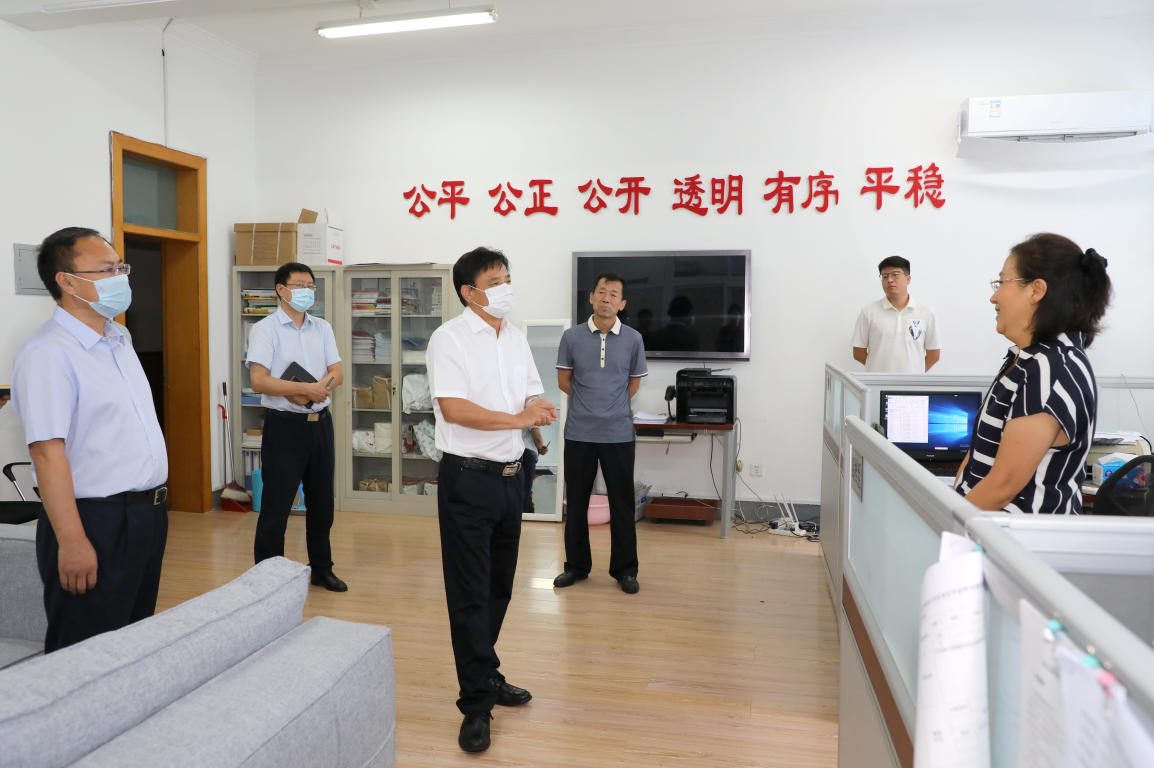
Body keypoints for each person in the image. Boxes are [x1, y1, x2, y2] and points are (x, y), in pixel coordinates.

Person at [11, 227, 168, 652]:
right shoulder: (47, 353)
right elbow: (47, 453)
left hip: (146, 515)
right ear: (66, 281)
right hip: (95, 520)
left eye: (121, 267)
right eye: (106, 270)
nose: (120, 278)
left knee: (132, 642)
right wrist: (73, 541)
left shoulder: (119, 339)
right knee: (84, 651)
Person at [425, 247, 557, 753]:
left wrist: (536, 410)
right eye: (495, 281)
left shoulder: (515, 337)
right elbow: (454, 409)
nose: (505, 288)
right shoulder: (449, 338)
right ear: (469, 292)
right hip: (468, 479)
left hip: (510, 477)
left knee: (499, 586)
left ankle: (486, 671)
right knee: (469, 592)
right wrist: (519, 419)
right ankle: (476, 703)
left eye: (507, 279)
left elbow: (528, 393)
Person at [955, 234, 1111, 515]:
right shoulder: (1027, 359)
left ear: (1036, 290)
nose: (994, 296)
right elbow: (978, 455)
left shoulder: (1053, 369)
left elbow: (1003, 486)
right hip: (983, 528)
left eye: (1002, 282)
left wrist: (945, 526)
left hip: (1019, 538)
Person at [246, 262, 346, 592]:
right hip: (285, 428)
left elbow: (337, 372)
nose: (307, 291)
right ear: (281, 289)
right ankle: (268, 578)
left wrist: (319, 388)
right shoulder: (265, 329)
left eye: (311, 286)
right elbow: (259, 381)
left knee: (322, 504)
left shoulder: (322, 327)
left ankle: (321, 569)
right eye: (300, 285)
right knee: (276, 507)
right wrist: (304, 389)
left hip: (321, 426)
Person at [553, 273, 647, 594]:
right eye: (602, 292)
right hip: (579, 432)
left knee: (622, 505)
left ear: (622, 304)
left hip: (618, 434)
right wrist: (589, 405)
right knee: (576, 504)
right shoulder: (571, 338)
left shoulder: (634, 339)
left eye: (614, 294)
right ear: (592, 297)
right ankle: (576, 567)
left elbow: (633, 384)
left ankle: (626, 570)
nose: (607, 298)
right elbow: (564, 381)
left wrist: (609, 407)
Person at [852, 256, 941, 373]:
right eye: (885, 276)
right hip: (878, 383)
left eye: (895, 274)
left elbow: (934, 354)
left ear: (908, 279)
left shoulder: (926, 313)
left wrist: (915, 373)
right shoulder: (868, 312)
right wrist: (879, 369)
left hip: (912, 384)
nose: (889, 280)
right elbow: (858, 352)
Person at [521, 426, 547, 514]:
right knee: (526, 488)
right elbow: (538, 439)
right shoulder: (532, 419)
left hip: (519, 454)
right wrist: (540, 447)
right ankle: (523, 514)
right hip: (527, 454)